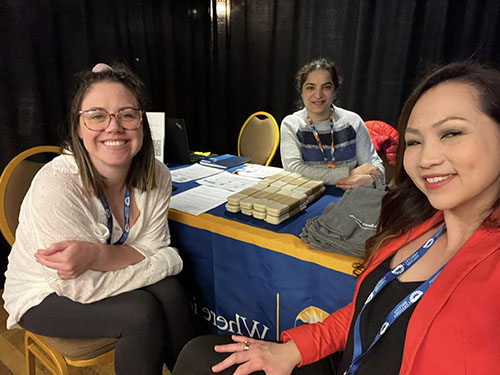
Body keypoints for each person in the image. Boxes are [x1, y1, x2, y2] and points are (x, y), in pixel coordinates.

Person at [171, 60, 500, 374]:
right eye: (414, 141)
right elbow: (368, 310)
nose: (427, 158)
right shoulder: (415, 222)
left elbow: (373, 173)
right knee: (199, 354)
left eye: (452, 133)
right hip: (348, 360)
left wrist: (350, 175)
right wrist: (292, 350)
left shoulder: (352, 122)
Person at [2, 63, 196, 374]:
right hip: (42, 293)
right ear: (78, 127)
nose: (114, 127)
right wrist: (167, 260)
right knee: (141, 311)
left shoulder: (156, 174)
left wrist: (96, 254)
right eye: (97, 115)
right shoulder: (56, 186)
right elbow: (81, 288)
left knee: (171, 292)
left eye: (127, 114)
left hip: (100, 277)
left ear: (142, 124)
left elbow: (155, 242)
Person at [280, 58, 385, 189]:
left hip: (348, 195)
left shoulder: (353, 121)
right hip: (306, 197)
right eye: (310, 87)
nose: (318, 95)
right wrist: (347, 173)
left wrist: (372, 180)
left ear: (334, 91)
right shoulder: (291, 124)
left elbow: (375, 167)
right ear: (302, 92)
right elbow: (294, 171)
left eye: (326, 87)